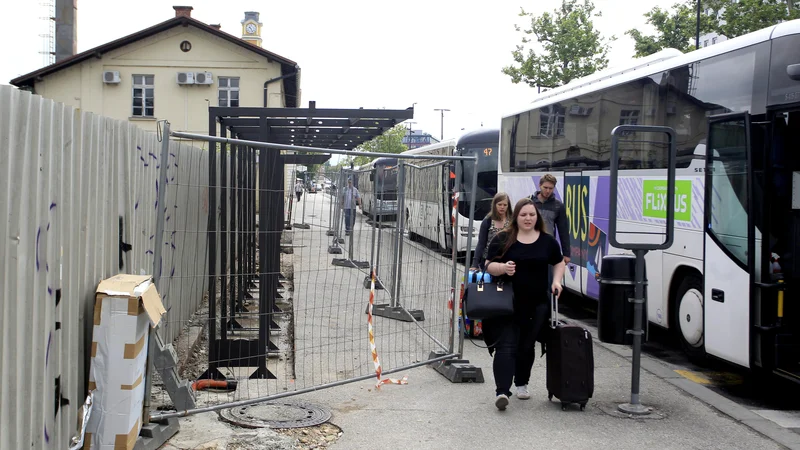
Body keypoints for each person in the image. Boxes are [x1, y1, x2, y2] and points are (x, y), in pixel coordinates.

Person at [483, 197, 566, 410]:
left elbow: (558, 262)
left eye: (531, 214)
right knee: (506, 345)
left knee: (526, 346)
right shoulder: (503, 239)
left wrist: (557, 281)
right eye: (523, 215)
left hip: (537, 304)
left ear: (536, 217)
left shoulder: (547, 241)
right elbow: (488, 265)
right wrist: (502, 269)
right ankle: (502, 391)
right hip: (507, 303)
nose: (528, 218)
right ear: (516, 217)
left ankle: (521, 383)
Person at [529, 174, 570, 264]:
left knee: (549, 275)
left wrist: (566, 253)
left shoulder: (558, 206)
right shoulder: (529, 202)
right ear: (539, 185)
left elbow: (563, 231)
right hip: (530, 245)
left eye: (551, 188)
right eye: (545, 187)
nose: (548, 191)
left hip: (548, 246)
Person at [471, 192, 512, 270]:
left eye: (505, 205)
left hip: (507, 260)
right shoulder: (487, 221)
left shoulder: (512, 221)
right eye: (499, 204)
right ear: (494, 205)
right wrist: (474, 264)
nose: (502, 207)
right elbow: (481, 243)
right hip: (488, 261)